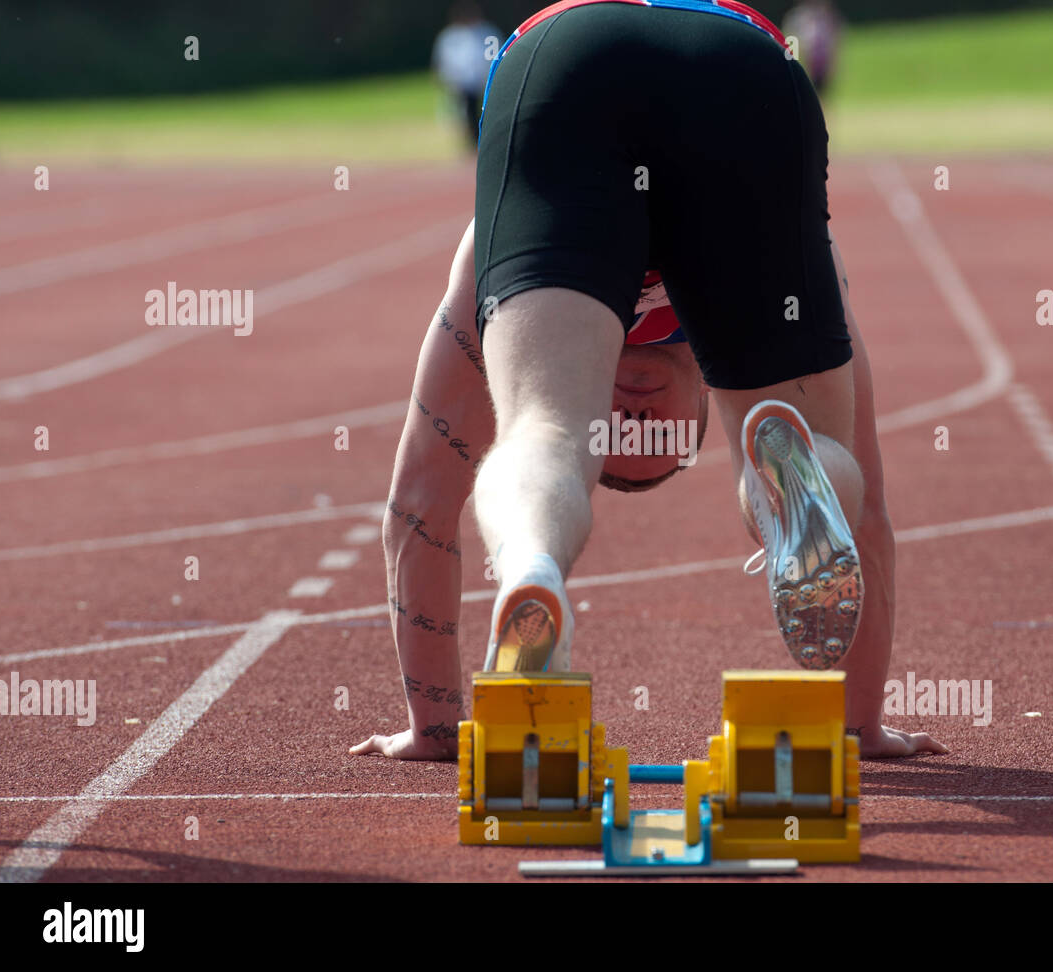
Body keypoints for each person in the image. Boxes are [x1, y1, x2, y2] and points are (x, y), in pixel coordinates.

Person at [350, 0, 946, 763]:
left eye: (614, 431)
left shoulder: (488, 258)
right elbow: (866, 521)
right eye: (647, 431)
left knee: (545, 430)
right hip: (736, 65)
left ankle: (533, 565)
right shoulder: (801, 272)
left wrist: (434, 731)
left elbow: (422, 498)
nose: (627, 409)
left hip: (572, 60)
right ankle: (788, 488)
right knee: (826, 453)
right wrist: (858, 726)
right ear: (702, 402)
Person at [432, 2, 499, 146]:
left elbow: (497, 55)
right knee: (467, 116)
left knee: (487, 113)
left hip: (486, 83)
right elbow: (443, 61)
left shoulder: (487, 32)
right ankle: (473, 142)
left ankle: (485, 139)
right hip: (464, 85)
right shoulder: (451, 37)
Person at [782, 0, 842, 95]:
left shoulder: (827, 17)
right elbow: (791, 41)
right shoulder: (797, 18)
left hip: (820, 64)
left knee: (820, 95)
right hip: (804, 62)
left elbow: (833, 42)